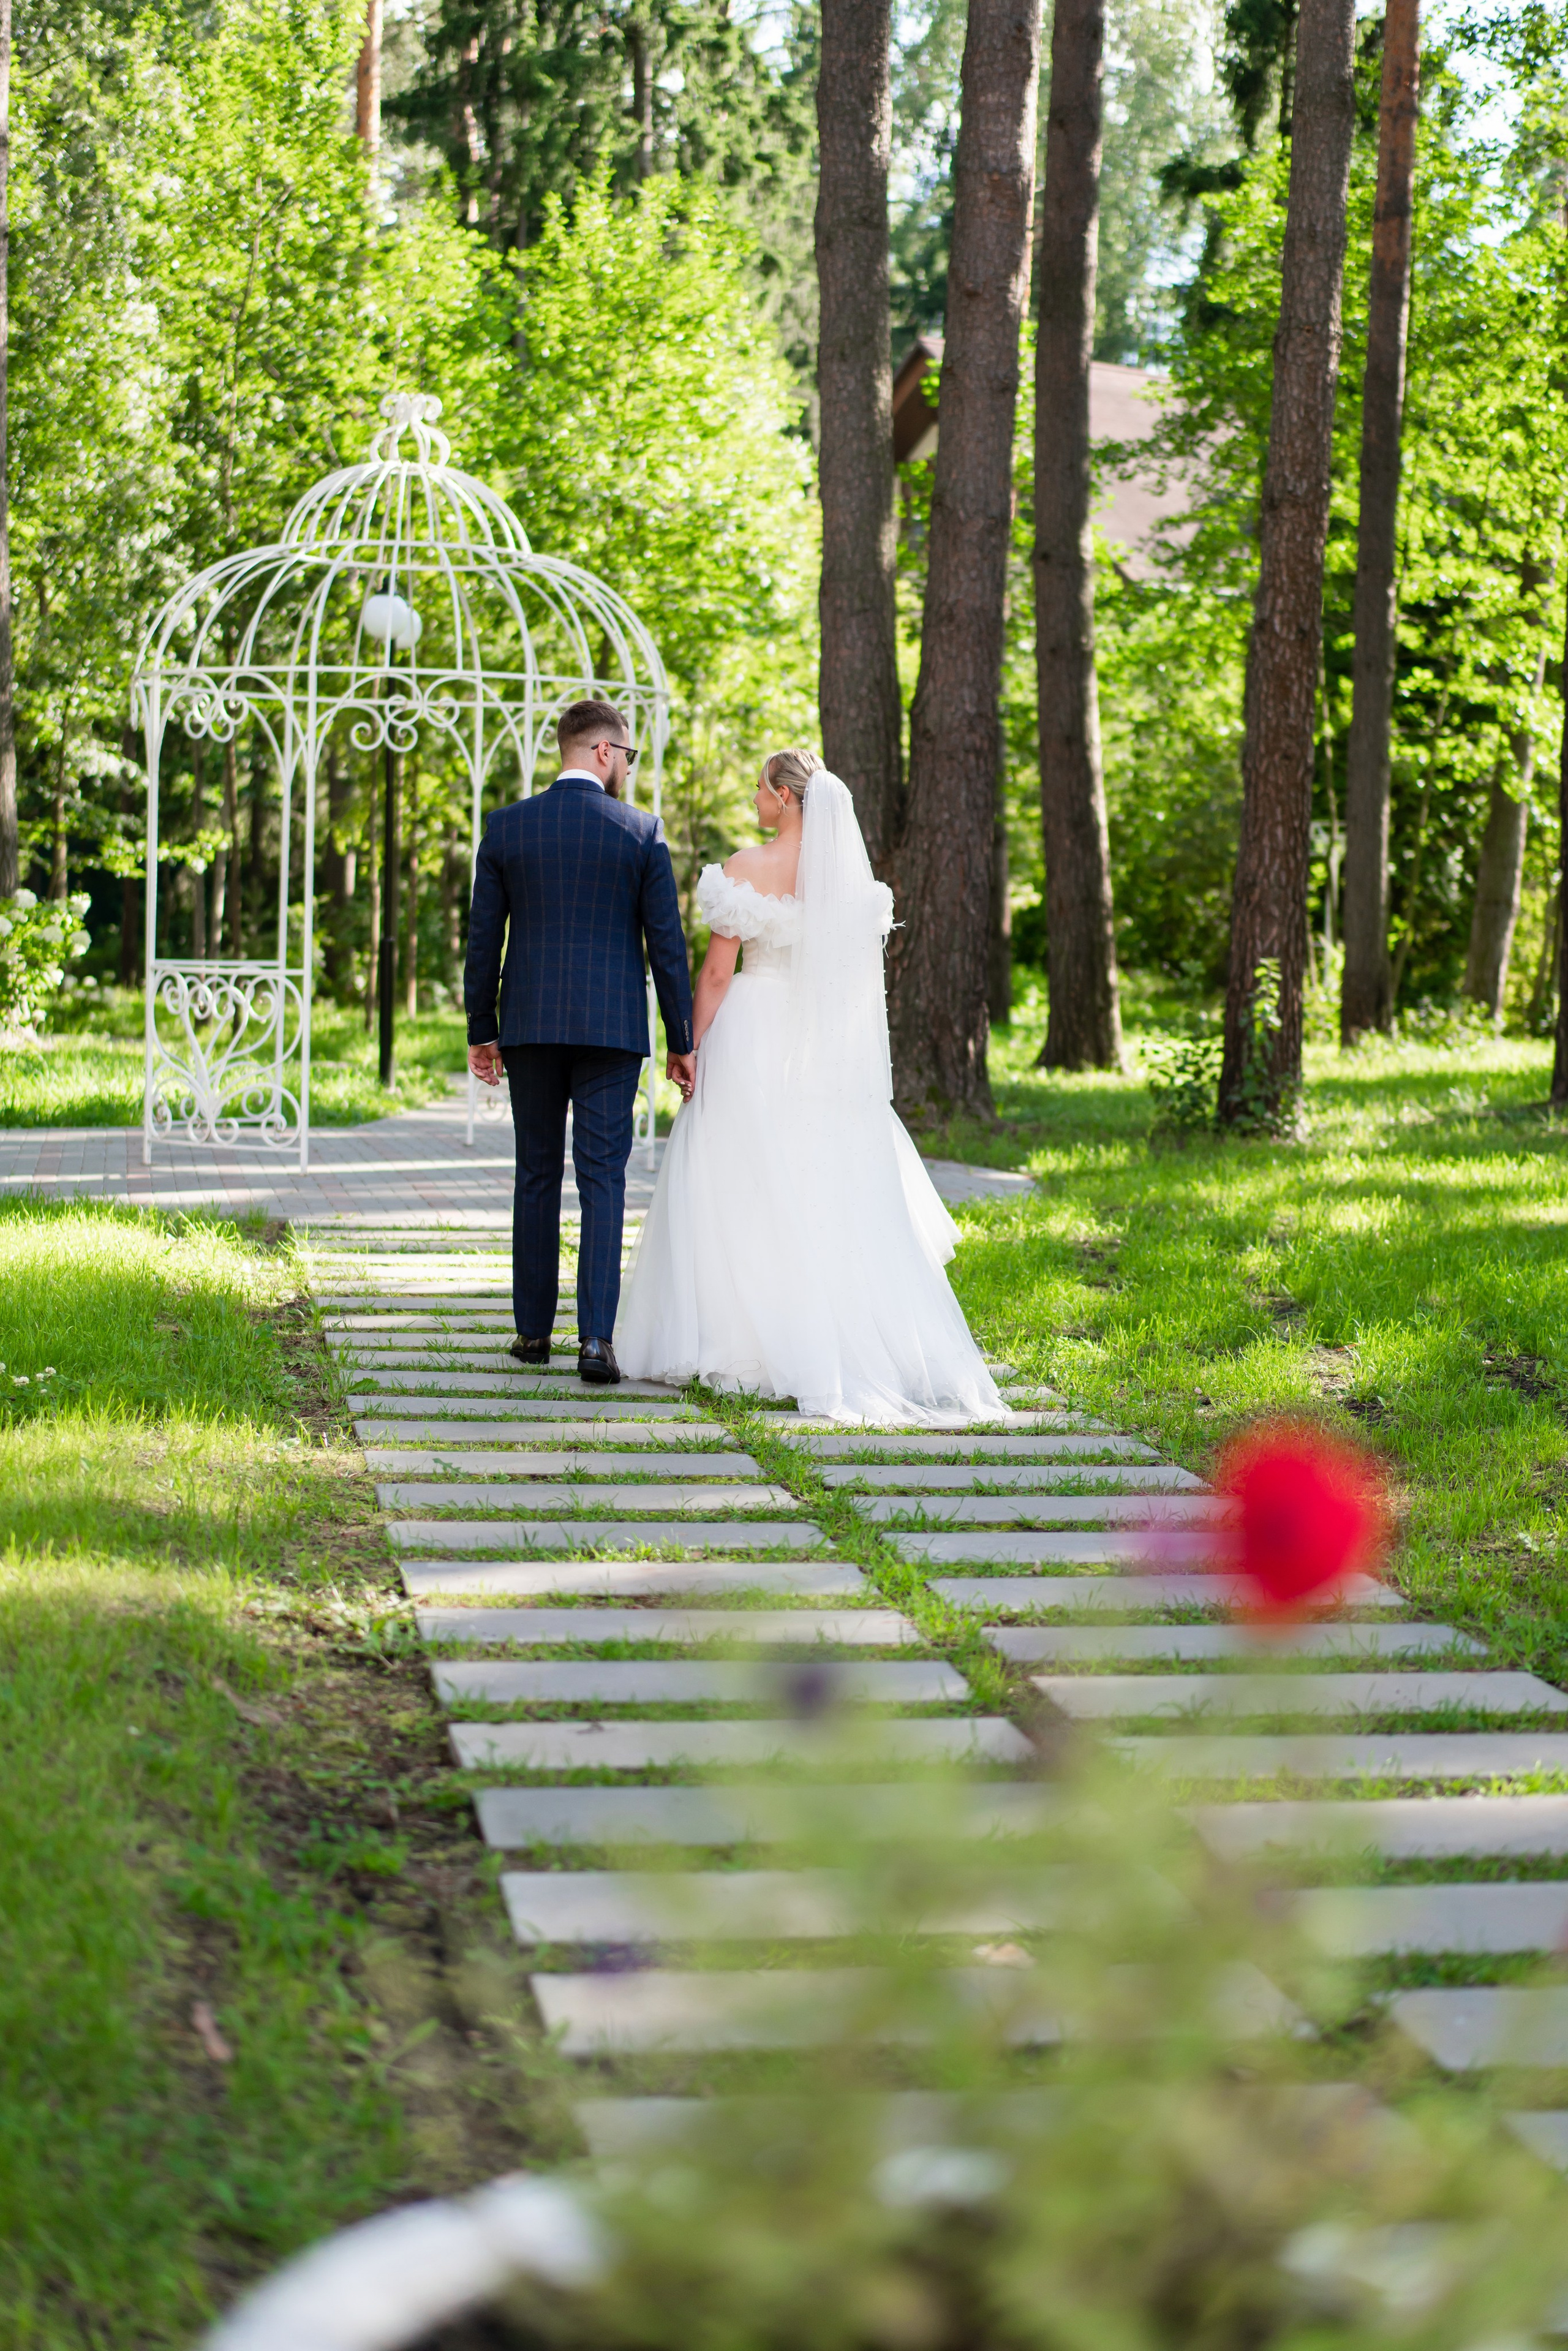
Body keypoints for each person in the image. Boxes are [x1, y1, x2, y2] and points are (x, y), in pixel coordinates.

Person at [616, 748, 1002, 1423]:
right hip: (822, 1047)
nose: (756, 801)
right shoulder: (849, 883)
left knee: (737, 1182)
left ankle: (736, 1341)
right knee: (821, 1184)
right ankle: (829, 1338)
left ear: (785, 797)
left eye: (760, 789)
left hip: (751, 1032)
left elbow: (713, 975)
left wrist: (688, 1046)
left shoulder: (745, 868)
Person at [465, 698, 696, 1386]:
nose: (626, 768)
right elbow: (668, 949)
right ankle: (595, 1341)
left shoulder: (507, 829)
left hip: (531, 1025)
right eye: (625, 756)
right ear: (602, 752)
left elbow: (483, 943)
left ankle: (532, 1332)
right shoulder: (640, 832)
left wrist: (483, 1030)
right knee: (603, 1180)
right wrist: (680, 1038)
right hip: (611, 1030)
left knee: (535, 1173)